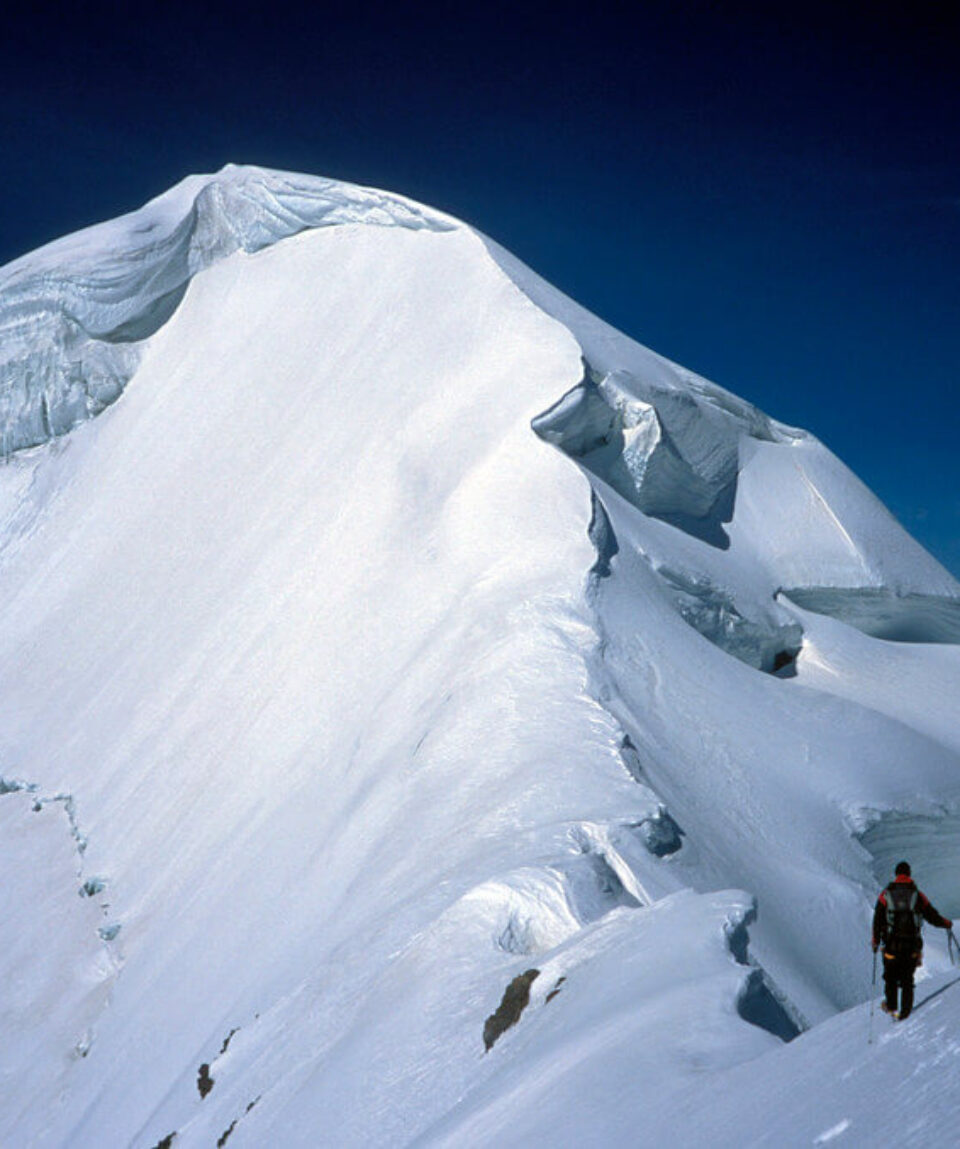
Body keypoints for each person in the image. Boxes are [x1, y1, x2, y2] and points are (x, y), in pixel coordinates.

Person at [872, 860, 952, 1020]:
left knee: (890, 977)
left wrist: (875, 940)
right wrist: (946, 923)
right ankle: (905, 1012)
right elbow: (932, 916)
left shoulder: (885, 895)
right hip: (911, 946)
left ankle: (892, 1007)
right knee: (907, 979)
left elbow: (877, 919)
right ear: (909, 874)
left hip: (891, 946)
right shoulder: (917, 895)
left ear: (896, 875)